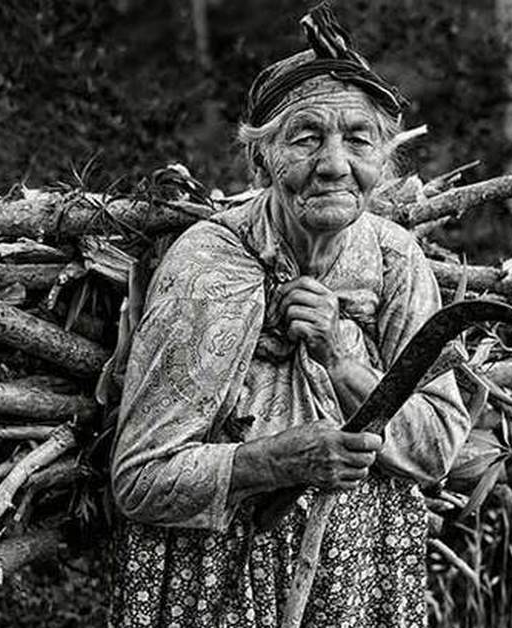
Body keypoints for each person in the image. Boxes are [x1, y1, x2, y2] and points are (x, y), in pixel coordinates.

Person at [109, 7, 468, 627]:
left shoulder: (393, 258)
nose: (334, 163)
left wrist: (340, 357)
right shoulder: (210, 265)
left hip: (360, 582)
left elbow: (436, 449)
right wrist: (274, 461)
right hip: (218, 582)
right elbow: (140, 480)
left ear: (384, 160)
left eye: (359, 139)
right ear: (261, 161)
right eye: (305, 137)